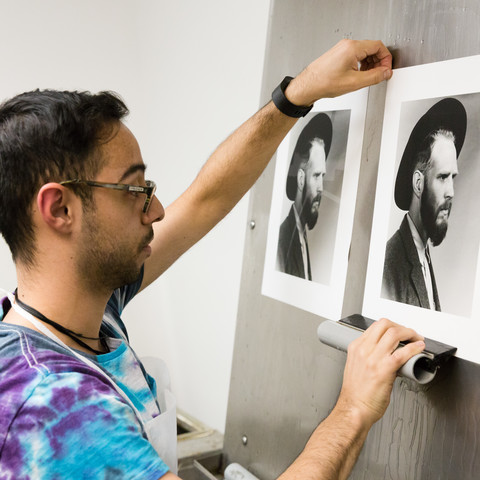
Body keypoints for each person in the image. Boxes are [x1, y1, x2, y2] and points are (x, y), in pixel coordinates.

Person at [0, 39, 425, 480]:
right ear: (60, 210)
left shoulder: (80, 314)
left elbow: (204, 200)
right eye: (135, 190)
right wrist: (353, 409)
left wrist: (297, 94)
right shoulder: (55, 410)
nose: (157, 210)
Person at [382, 98, 467, 310]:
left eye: (452, 178)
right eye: (442, 177)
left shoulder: (423, 256)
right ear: (418, 184)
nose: (451, 192)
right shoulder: (389, 266)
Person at [277, 113, 332, 280]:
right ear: (301, 179)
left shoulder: (301, 236)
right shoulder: (283, 241)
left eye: (323, 176)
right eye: (316, 176)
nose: (321, 187)